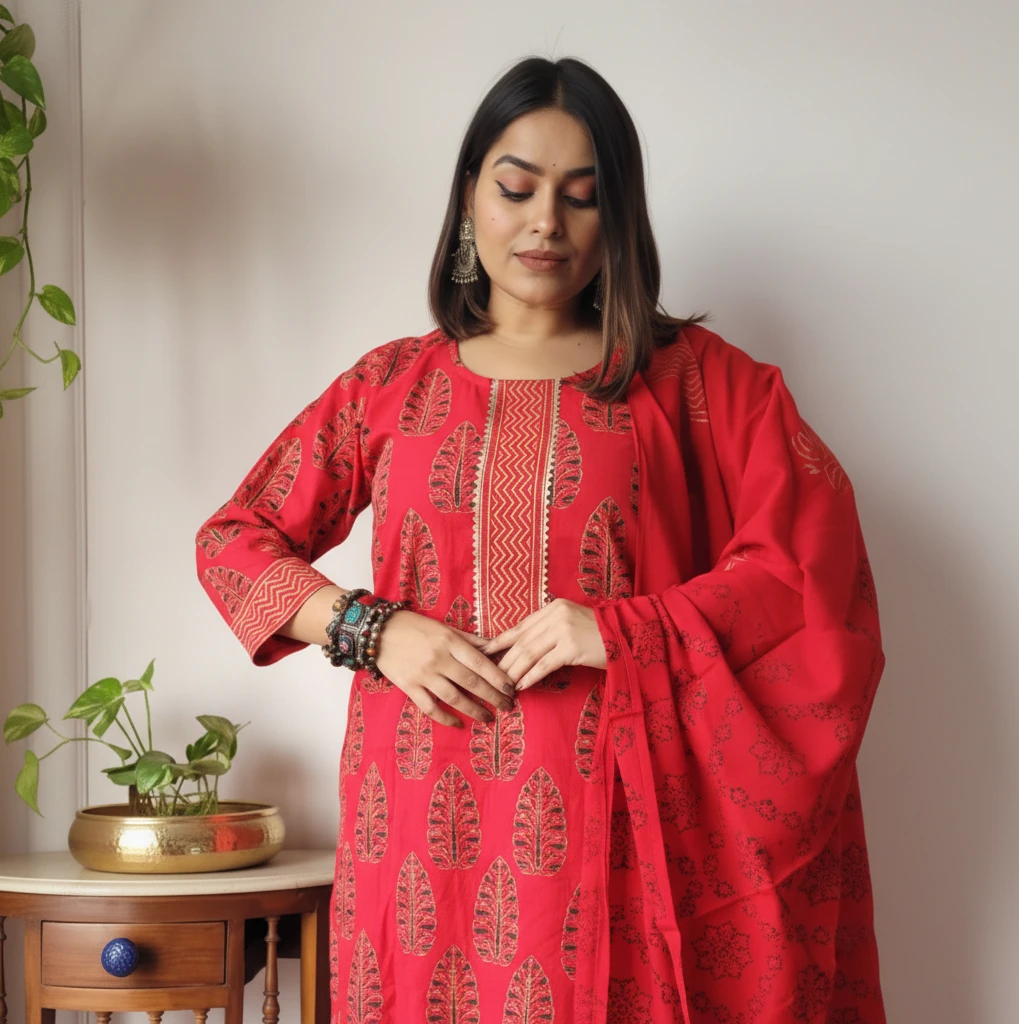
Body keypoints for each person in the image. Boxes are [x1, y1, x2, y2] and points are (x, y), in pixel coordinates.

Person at [196, 55, 886, 1024]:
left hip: (620, 824)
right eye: (516, 188)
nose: (545, 223)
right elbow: (234, 541)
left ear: (620, 216)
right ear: (469, 197)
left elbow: (810, 573)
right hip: (420, 833)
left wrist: (629, 628)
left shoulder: (699, 383)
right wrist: (374, 629)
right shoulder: (390, 385)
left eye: (581, 196)